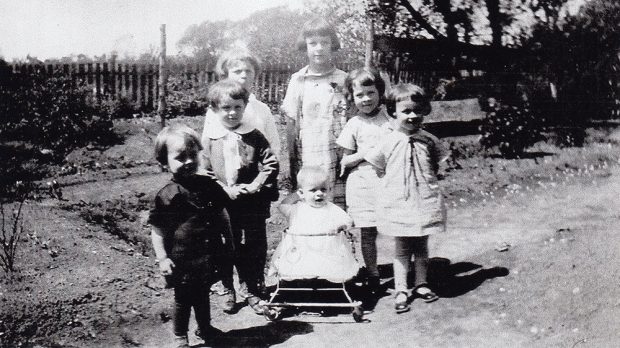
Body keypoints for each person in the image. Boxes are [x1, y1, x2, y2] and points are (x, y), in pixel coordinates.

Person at [202, 47, 282, 309]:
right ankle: (227, 287)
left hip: (252, 197)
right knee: (225, 243)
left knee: (254, 242)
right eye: (238, 71)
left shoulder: (257, 121)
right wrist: (221, 188)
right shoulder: (214, 125)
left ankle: (253, 286)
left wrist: (255, 184)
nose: (232, 113)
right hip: (223, 199)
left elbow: (271, 155)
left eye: (249, 71)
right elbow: (205, 160)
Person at [365, 83, 447, 314]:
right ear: (393, 113)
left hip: (423, 198)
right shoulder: (388, 140)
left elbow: (439, 163)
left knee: (421, 244)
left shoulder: (429, 140)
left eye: (417, 110)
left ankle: (421, 283)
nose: (412, 116)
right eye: (406, 111)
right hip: (399, 200)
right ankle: (401, 289)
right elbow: (377, 166)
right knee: (401, 247)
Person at [148, 124, 231, 347]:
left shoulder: (209, 186)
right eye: (180, 157)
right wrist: (163, 258)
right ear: (165, 162)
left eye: (192, 154)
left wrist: (229, 241)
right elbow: (157, 230)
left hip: (207, 253)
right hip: (182, 258)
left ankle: (205, 328)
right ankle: (179, 336)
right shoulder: (168, 195)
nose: (188, 161)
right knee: (183, 299)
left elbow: (222, 215)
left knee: (203, 295)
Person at [336, 67, 392, 295]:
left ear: (379, 92)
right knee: (368, 232)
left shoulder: (389, 119)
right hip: (363, 183)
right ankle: (373, 275)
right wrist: (365, 153)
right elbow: (345, 161)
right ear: (352, 97)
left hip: (389, 181)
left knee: (398, 227)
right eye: (360, 95)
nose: (366, 99)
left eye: (370, 93)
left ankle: (403, 272)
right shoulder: (354, 124)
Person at [281, 17, 348, 208]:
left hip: (337, 155)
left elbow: (352, 119)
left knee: (337, 209)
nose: (319, 48)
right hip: (308, 154)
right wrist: (293, 161)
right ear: (305, 46)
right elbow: (291, 124)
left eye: (324, 42)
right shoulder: (298, 80)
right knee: (310, 206)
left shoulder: (344, 79)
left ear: (332, 45)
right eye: (313, 43)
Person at [269, 166, 358, 283]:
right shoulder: (297, 208)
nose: (319, 193)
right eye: (313, 190)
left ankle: (325, 282)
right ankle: (301, 282)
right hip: (302, 249)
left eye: (324, 189)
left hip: (327, 249)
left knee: (330, 268)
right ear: (302, 192)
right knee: (298, 265)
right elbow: (283, 205)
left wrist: (341, 226)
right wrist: (297, 196)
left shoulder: (331, 208)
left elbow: (348, 220)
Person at [202, 47, 281, 159]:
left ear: (255, 74)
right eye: (237, 71)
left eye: (248, 71)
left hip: (257, 171)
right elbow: (206, 145)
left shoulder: (262, 109)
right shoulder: (216, 110)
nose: (244, 75)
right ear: (226, 75)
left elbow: (274, 145)